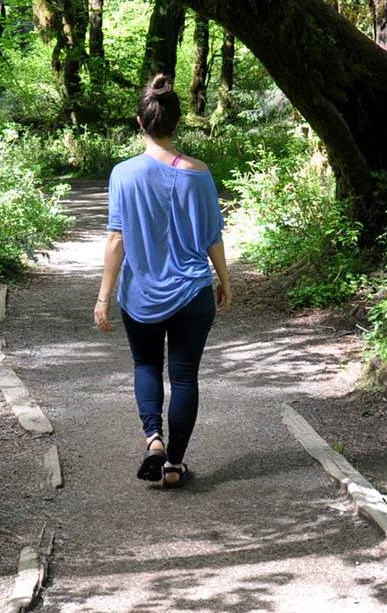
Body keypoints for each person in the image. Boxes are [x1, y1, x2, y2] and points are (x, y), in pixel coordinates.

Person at [94, 74, 232, 488]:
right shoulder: (199, 173)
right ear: (177, 124)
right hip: (192, 292)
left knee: (146, 364)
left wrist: (103, 297)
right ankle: (174, 464)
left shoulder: (123, 174)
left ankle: (153, 439)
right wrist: (224, 281)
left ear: (140, 122)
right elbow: (212, 236)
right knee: (185, 376)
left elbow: (117, 238)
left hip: (140, 296)